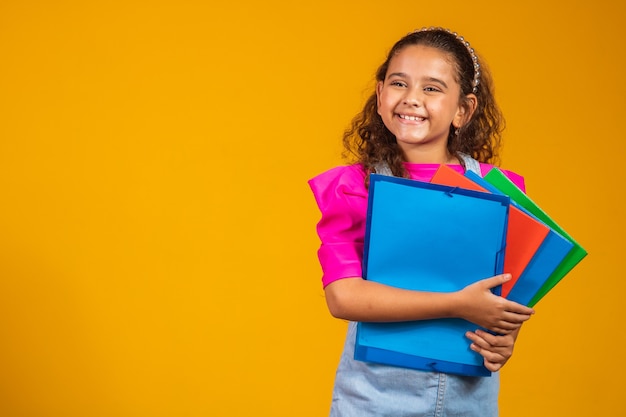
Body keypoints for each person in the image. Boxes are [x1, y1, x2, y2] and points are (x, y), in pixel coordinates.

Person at [308, 27, 536, 416]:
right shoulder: (352, 187)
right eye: (399, 83)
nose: (411, 98)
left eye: (432, 88)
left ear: (463, 110)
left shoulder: (499, 192)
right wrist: (456, 304)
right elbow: (342, 296)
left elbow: (503, 299)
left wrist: (503, 339)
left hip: (469, 401)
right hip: (373, 399)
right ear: (380, 97)